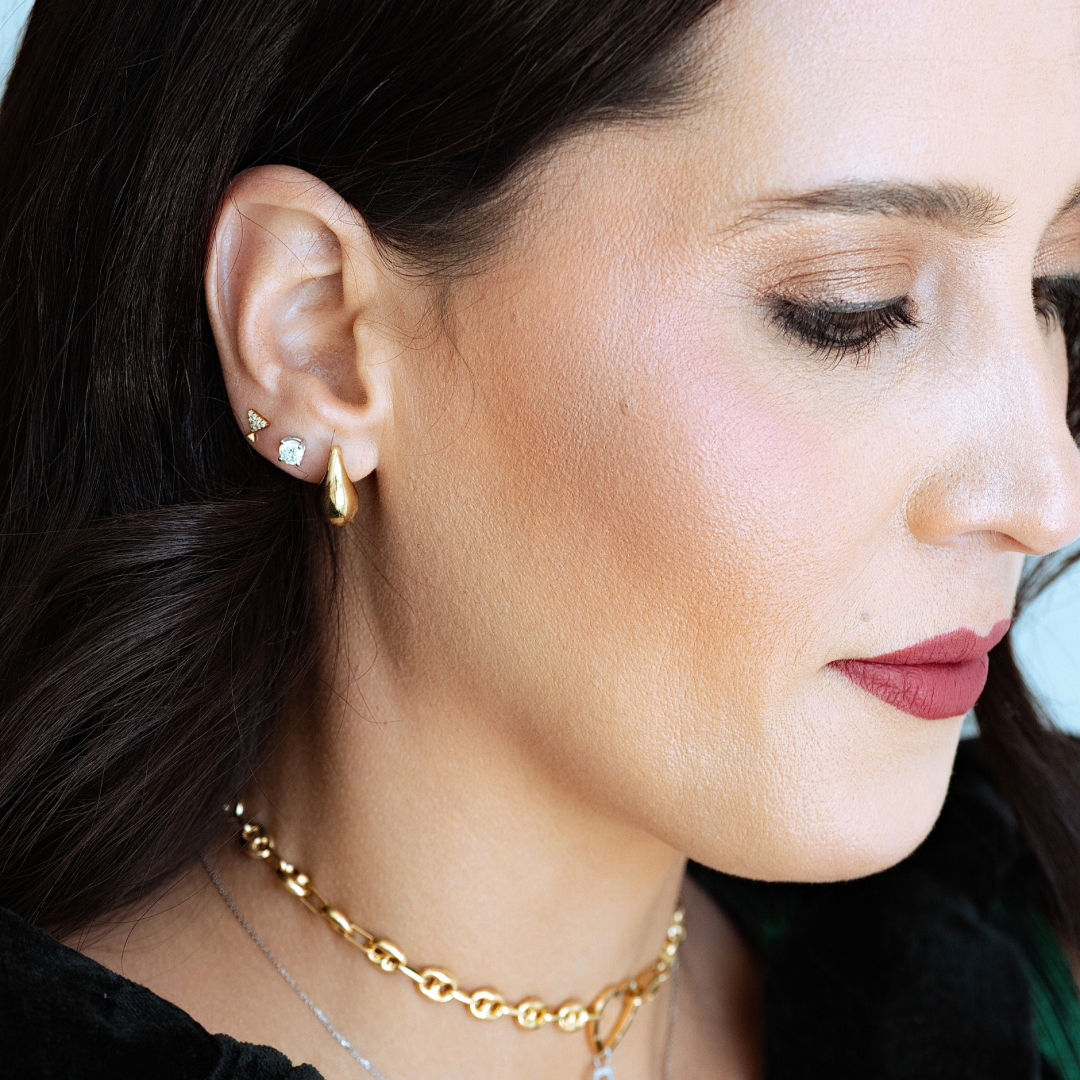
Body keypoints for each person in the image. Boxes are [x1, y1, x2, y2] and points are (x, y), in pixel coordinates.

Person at [1, 0, 1080, 1077]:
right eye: (852, 307)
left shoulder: (1035, 981)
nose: (1046, 500)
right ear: (319, 336)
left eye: (1057, 292)